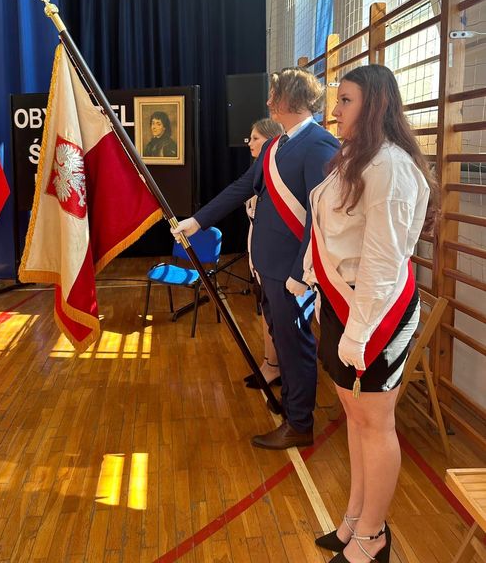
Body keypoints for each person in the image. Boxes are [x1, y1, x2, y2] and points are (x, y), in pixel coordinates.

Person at [303, 65, 438, 563]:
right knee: (356, 418)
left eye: (346, 100)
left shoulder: (391, 167)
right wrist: (308, 278)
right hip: (345, 303)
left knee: (375, 423)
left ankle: (373, 535)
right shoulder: (354, 159)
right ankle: (355, 518)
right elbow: (330, 232)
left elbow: (383, 261)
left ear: (375, 104)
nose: (335, 110)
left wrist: (359, 332)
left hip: (376, 312)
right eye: (337, 100)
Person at [172, 68, 339, 449]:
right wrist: (197, 221)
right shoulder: (276, 145)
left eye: (274, 95)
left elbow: (320, 217)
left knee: (295, 347)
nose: (268, 102)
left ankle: (299, 423)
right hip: (268, 266)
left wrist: (301, 273)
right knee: (282, 340)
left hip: (291, 272)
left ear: (291, 98)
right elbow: (242, 188)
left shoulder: (319, 145)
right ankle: (293, 408)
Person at [243, 117, 285, 389]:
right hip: (258, 258)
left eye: (256, 138)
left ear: (271, 140)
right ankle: (270, 363)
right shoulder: (258, 171)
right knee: (266, 315)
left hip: (276, 262)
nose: (250, 143)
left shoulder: (279, 174)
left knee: (279, 321)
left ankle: (277, 367)